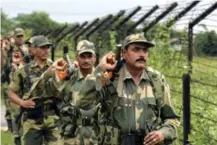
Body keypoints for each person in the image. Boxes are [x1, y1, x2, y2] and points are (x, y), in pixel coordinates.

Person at [75, 33, 180, 145]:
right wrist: (99, 69)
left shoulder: (156, 80)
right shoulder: (110, 77)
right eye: (136, 49)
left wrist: (162, 134)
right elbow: (82, 103)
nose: (141, 54)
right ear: (124, 54)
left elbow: (172, 119)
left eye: (145, 50)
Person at [8, 35, 61, 145]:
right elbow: (11, 92)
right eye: (42, 47)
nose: (46, 50)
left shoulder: (56, 67)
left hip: (51, 116)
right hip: (32, 119)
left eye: (47, 47)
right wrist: (22, 102)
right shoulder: (24, 71)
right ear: (34, 49)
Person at [44, 40, 98, 145]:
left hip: (94, 135)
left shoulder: (101, 78)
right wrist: (55, 73)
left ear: (95, 58)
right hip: (70, 136)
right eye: (83, 56)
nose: (86, 60)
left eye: (89, 56)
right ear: (77, 58)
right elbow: (49, 91)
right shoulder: (69, 76)